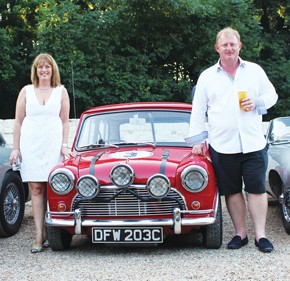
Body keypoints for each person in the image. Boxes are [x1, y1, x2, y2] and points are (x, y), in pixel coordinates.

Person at [186, 27, 278, 253]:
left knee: (256, 189)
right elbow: (198, 111)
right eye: (224, 45)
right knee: (232, 190)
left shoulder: (254, 71)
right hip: (222, 144)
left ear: (240, 46)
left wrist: (256, 102)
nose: (229, 48)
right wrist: (197, 141)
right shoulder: (207, 76)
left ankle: (260, 235)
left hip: (254, 142)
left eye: (232, 44)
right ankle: (240, 234)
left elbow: (272, 95)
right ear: (217, 48)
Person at [9, 53, 72, 253]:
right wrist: (16, 147)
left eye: (47, 67)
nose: (44, 70)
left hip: (53, 144)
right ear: (35, 70)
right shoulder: (26, 91)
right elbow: (18, 121)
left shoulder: (60, 91)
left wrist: (64, 144)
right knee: (36, 188)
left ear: (53, 70)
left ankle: (53, 233)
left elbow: (64, 121)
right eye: (40, 67)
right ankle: (38, 236)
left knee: (53, 187)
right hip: (31, 144)